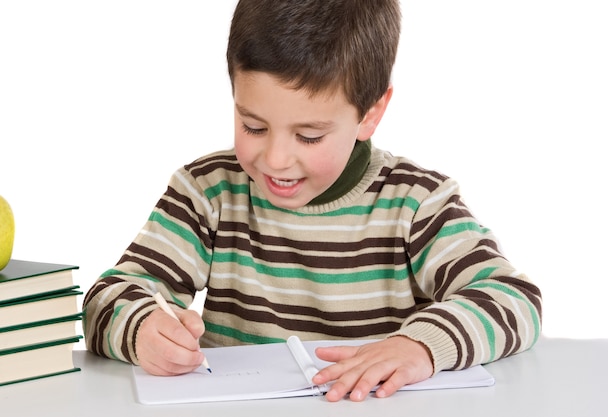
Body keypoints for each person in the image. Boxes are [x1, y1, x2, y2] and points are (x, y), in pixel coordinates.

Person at [82, 0, 542, 402]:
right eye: (253, 127)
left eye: (309, 135)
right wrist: (142, 328)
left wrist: (420, 347)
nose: (276, 159)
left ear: (371, 113)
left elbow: (513, 298)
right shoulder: (208, 191)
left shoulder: (416, 202)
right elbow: (107, 299)